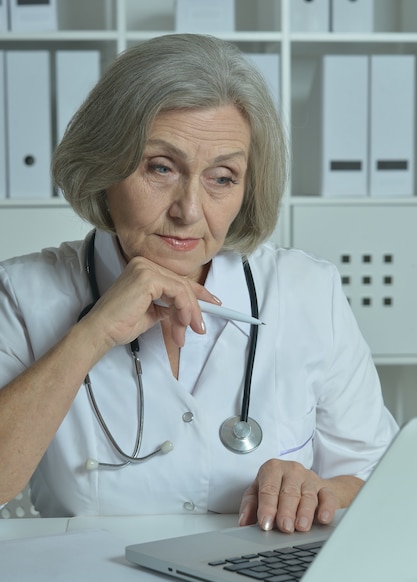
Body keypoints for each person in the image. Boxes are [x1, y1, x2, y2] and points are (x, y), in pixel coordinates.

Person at [0, 34, 397, 531]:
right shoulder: (23, 294)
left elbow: (381, 480)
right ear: (105, 164)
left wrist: (318, 490)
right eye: (160, 167)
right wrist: (91, 334)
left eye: (222, 177)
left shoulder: (306, 291)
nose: (188, 210)